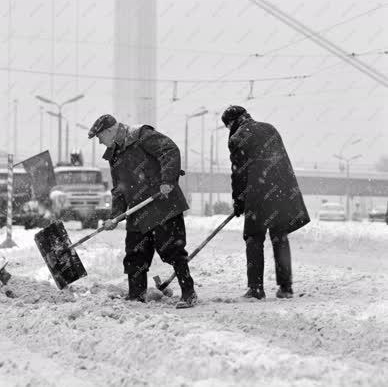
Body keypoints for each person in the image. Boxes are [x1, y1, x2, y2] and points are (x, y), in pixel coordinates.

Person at [89, 114, 197, 308]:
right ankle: (136, 295)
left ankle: (188, 292)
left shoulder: (142, 136)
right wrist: (115, 217)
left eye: (99, 137)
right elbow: (119, 189)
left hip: (163, 204)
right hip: (138, 211)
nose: (99, 142)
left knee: (171, 250)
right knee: (135, 253)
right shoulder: (114, 155)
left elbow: (170, 150)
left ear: (109, 131)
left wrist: (167, 180)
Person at [222, 105, 310, 300]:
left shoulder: (237, 138)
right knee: (280, 237)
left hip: (258, 194)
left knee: (254, 238)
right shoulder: (270, 128)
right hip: (282, 193)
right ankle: (285, 287)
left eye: (228, 127)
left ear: (231, 123)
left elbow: (239, 174)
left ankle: (256, 288)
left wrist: (239, 201)